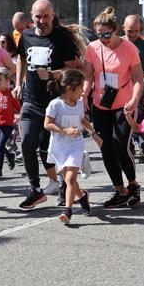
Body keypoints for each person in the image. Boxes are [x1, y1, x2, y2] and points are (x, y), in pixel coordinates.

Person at [14, 0, 83, 210]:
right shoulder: (26, 36)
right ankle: (35, 190)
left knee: (52, 148)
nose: (41, 20)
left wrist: (53, 74)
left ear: (52, 16)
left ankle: (63, 185)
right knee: (26, 142)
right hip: (31, 101)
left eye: (46, 16)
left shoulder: (62, 38)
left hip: (55, 103)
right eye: (38, 16)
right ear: (31, 17)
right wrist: (18, 83)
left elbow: (75, 69)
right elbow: (22, 61)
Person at [83, 7, 143, 209]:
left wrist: (135, 99)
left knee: (120, 145)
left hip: (124, 104)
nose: (103, 39)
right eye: (99, 35)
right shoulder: (92, 48)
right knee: (105, 147)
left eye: (107, 34)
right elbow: (88, 77)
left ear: (116, 30)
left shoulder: (129, 49)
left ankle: (133, 184)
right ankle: (120, 190)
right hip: (101, 104)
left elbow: (138, 79)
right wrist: (83, 96)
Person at [44, 69, 99, 223]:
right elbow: (47, 124)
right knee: (70, 181)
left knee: (70, 177)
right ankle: (82, 197)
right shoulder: (55, 104)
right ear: (70, 88)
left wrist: (93, 133)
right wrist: (64, 130)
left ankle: (67, 211)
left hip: (76, 145)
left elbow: (82, 120)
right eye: (81, 87)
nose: (83, 91)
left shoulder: (80, 104)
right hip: (59, 147)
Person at [122, 14, 144, 161]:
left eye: (136, 31)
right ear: (123, 28)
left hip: (140, 88)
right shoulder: (118, 42)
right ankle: (127, 147)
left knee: (142, 119)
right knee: (124, 119)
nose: (133, 34)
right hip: (122, 89)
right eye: (130, 31)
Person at [0, 68, 21, 178]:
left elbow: (19, 108)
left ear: (7, 81)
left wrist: (19, 116)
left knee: (0, 146)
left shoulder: (10, 94)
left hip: (7, 124)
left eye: (0, 79)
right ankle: (10, 156)